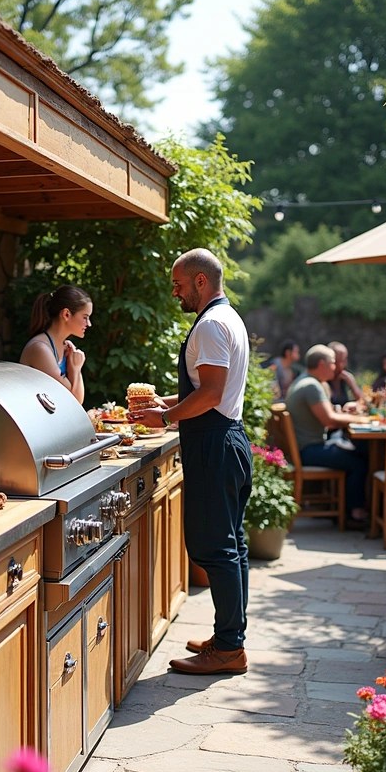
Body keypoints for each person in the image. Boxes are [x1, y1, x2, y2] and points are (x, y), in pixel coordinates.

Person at [129, 248, 252, 676]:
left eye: (178, 284)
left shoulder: (213, 325)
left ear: (201, 281)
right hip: (226, 440)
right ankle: (228, 637)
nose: (174, 292)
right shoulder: (227, 317)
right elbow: (206, 390)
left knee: (214, 549)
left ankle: (229, 649)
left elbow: (211, 394)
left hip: (214, 445)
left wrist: (164, 417)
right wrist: (162, 402)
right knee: (231, 546)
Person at [286, 344, 369, 525]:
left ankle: (349, 508)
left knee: (356, 453)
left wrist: (344, 411)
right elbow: (329, 420)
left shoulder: (306, 381)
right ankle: (354, 513)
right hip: (308, 450)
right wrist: (360, 420)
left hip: (305, 448)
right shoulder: (311, 386)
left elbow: (327, 413)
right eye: (332, 363)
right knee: (359, 462)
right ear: (322, 364)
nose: (335, 367)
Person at [19, 285, 92, 404]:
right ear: (66, 314)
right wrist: (75, 369)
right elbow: (75, 402)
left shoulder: (64, 347)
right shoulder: (40, 349)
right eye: (85, 317)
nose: (89, 324)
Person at [327, 341, 363, 408]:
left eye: (345, 359)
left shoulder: (344, 378)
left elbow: (362, 401)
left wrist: (352, 384)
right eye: (341, 361)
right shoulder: (323, 380)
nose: (345, 364)